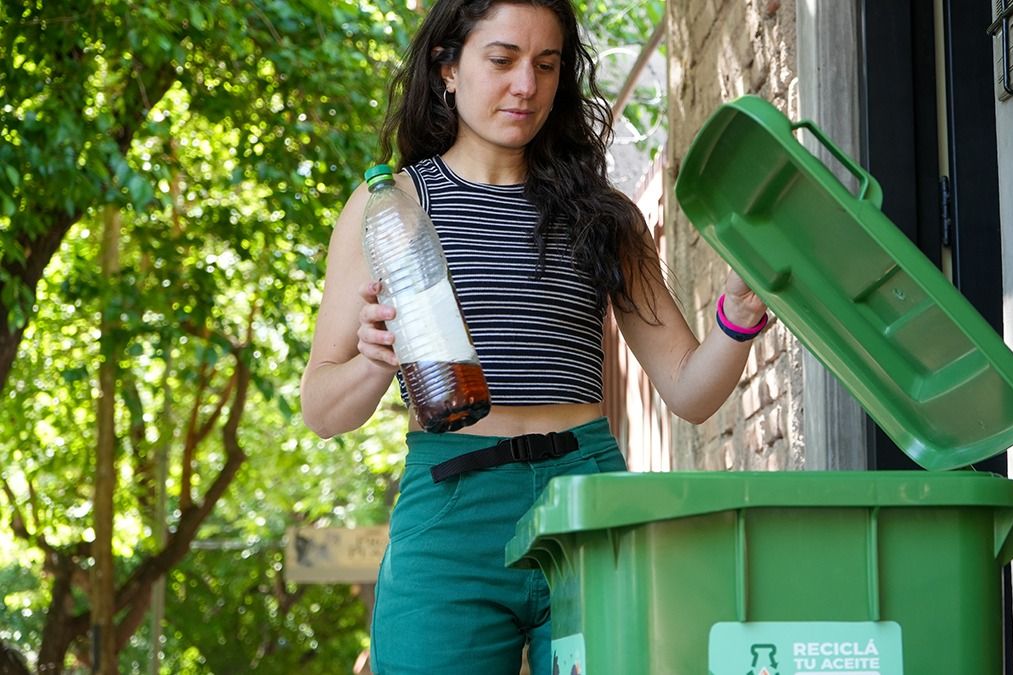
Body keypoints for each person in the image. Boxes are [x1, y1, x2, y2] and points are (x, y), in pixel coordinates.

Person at [299, 0, 768, 672]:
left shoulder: (605, 215)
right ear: (448, 68)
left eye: (546, 65)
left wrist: (737, 319)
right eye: (503, 60)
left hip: (586, 495)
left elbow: (690, 391)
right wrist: (375, 362)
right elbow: (322, 410)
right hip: (451, 506)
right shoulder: (390, 208)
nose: (526, 85)